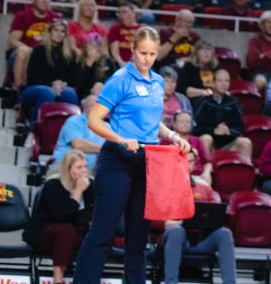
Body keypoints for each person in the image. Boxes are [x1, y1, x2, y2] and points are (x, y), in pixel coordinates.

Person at [71, 27, 192, 284]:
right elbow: (94, 120)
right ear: (133, 51)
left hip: (147, 161)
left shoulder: (158, 81)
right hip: (117, 160)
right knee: (102, 232)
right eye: (142, 53)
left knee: (138, 238)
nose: (147, 59)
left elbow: (151, 122)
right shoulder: (120, 79)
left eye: (152, 54)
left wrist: (172, 136)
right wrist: (120, 139)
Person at [24, 149, 94, 284]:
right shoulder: (53, 185)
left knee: (98, 234)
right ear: (67, 169)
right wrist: (78, 191)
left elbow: (91, 212)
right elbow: (61, 215)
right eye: (79, 167)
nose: (84, 171)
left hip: (75, 230)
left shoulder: (90, 186)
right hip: (45, 232)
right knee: (66, 230)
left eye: (85, 166)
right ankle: (58, 279)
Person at [159, 183, 237, 284]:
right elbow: (152, 218)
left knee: (225, 234)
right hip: (176, 239)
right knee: (177, 231)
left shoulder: (205, 189)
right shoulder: (166, 188)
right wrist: (170, 223)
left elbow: (216, 213)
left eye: (189, 165)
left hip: (202, 240)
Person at [22, 20, 81, 117]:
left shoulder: (70, 54)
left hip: (61, 87)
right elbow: (32, 78)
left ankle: (71, 128)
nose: (59, 34)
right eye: (56, 30)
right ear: (49, 32)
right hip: (35, 87)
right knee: (48, 92)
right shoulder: (39, 50)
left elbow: (73, 80)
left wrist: (62, 84)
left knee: (69, 93)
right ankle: (35, 128)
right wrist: (51, 84)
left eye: (62, 31)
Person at [192, 69, 253, 155]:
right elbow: (195, 128)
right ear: (213, 83)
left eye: (226, 81)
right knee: (206, 139)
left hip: (229, 144)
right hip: (210, 141)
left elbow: (240, 127)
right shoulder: (203, 102)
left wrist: (229, 131)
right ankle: (205, 167)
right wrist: (214, 131)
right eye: (220, 80)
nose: (224, 84)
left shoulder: (234, 102)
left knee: (246, 142)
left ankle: (244, 168)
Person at [52, 96, 104, 168]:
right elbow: (78, 145)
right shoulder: (74, 121)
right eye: (92, 106)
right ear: (84, 108)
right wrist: (105, 149)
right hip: (66, 168)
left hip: (93, 171)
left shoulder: (108, 127)